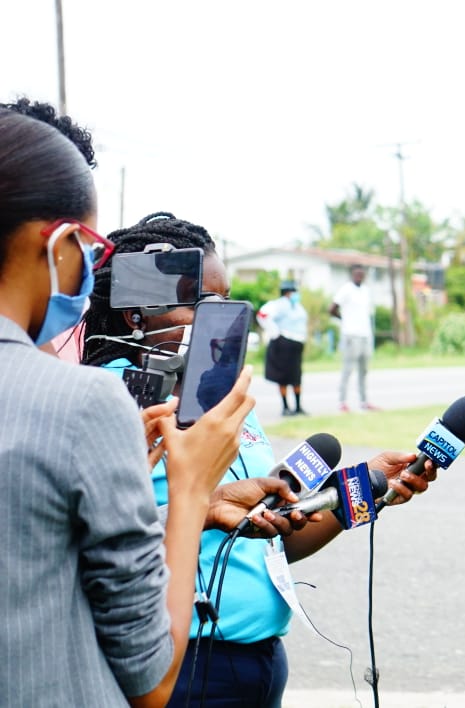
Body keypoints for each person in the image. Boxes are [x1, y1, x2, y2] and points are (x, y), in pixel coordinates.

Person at [82, 212, 432, 707]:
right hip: (177, 667)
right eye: (200, 302)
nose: (218, 319)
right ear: (136, 314)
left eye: (225, 301)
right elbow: (100, 544)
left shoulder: (222, 398)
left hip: (261, 661)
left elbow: (270, 538)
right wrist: (198, 509)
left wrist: (366, 488)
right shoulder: (109, 399)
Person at [0, 100, 255, 706]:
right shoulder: (85, 401)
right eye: (90, 250)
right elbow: (152, 680)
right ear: (58, 243)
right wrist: (191, 489)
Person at [257, 279, 308, 416]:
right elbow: (262, 315)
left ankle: (298, 407)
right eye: (293, 291)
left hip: (296, 345)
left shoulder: (297, 306)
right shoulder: (278, 305)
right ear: (287, 292)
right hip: (284, 343)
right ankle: (286, 406)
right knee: (283, 376)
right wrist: (275, 332)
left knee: (296, 376)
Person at [330, 264, 376, 412]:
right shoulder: (346, 289)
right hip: (351, 335)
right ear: (352, 274)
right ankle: (342, 402)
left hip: (365, 335)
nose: (359, 276)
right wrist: (344, 320)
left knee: (364, 370)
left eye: (362, 274)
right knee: (348, 370)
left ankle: (364, 401)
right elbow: (332, 309)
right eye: (357, 274)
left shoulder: (366, 290)